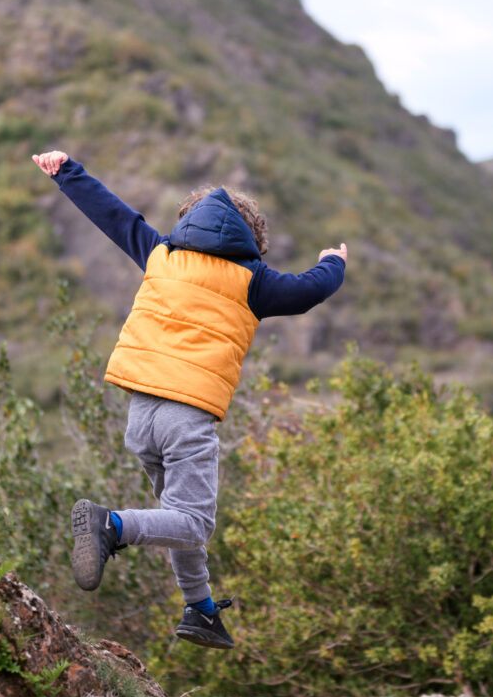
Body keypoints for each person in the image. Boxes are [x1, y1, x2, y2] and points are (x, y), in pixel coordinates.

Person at [33, 149, 347, 649]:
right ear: (253, 241)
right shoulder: (255, 283)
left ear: (188, 223)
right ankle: (109, 524)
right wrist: (334, 261)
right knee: (194, 521)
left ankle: (199, 609)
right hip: (188, 417)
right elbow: (311, 289)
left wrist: (67, 170)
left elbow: (112, 214)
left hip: (141, 416)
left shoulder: (161, 254)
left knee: (177, 518)